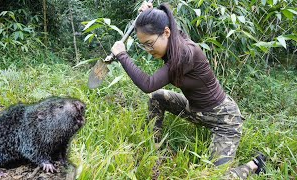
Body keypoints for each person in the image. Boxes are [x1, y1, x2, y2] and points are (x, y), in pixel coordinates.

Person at [111, 2, 266, 179]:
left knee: (214, 176)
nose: (148, 50)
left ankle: (254, 165)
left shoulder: (185, 53)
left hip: (223, 119)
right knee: (157, 98)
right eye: (143, 45)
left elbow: (148, 84)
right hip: (194, 110)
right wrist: (150, 16)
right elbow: (169, 24)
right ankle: (155, 150)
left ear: (167, 32)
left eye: (149, 44)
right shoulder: (173, 41)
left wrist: (122, 55)